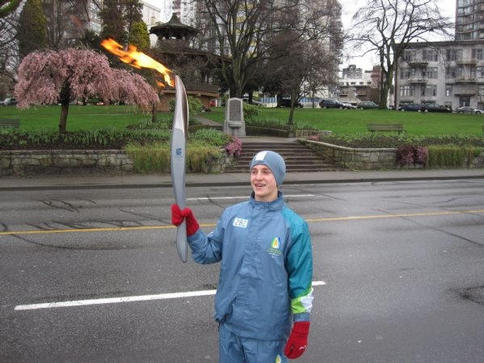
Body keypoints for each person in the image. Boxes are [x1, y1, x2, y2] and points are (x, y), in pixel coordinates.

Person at [171, 150, 313, 362]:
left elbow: (300, 283)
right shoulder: (233, 214)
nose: (258, 177)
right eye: (254, 171)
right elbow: (207, 252)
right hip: (230, 326)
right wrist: (190, 227)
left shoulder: (294, 226)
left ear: (278, 177)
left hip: (267, 333)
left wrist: (301, 325)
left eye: (266, 172)